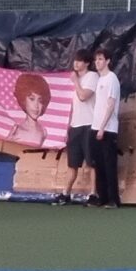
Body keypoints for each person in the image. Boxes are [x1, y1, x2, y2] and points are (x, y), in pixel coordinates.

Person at [85, 47, 122, 208]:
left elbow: (111, 104)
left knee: (109, 165)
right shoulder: (100, 80)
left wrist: (102, 127)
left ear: (107, 61)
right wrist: (95, 127)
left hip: (108, 129)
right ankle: (103, 198)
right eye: (96, 59)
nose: (98, 62)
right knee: (98, 164)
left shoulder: (111, 79)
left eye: (101, 59)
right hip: (96, 127)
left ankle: (114, 200)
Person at [61, 53, 97, 203]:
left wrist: (76, 81)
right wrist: (67, 126)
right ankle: (65, 193)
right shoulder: (74, 78)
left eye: (80, 60)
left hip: (89, 125)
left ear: (87, 63)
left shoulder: (92, 77)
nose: (76, 63)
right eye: (75, 60)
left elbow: (83, 96)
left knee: (92, 163)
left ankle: (93, 193)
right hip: (75, 126)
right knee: (72, 164)